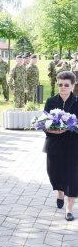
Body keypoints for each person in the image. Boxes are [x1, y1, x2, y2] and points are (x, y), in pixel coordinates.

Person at [43, 71, 78, 221]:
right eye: (60, 85)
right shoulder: (51, 101)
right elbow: (43, 121)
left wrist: (69, 127)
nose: (63, 88)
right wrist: (50, 129)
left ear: (72, 86)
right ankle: (60, 192)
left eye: (66, 85)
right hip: (54, 144)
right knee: (54, 172)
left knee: (72, 176)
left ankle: (69, 209)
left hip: (73, 145)